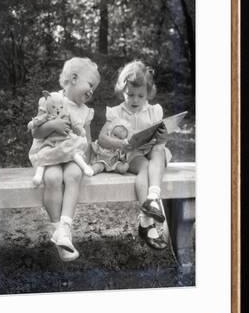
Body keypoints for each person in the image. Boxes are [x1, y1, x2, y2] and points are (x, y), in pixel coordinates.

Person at [27, 57, 100, 261]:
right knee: (52, 179)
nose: (92, 91)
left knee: (74, 174)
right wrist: (53, 126)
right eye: (90, 84)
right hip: (49, 153)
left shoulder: (85, 111)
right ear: (74, 78)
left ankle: (65, 228)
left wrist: (90, 155)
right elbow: (36, 132)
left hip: (72, 155)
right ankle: (57, 228)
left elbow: (86, 137)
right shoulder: (51, 100)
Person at [94, 60, 171, 250]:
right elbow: (102, 139)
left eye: (141, 95)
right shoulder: (116, 113)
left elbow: (160, 142)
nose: (135, 100)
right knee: (144, 167)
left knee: (159, 150)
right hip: (132, 155)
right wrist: (122, 143)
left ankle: (153, 198)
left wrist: (162, 137)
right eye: (130, 95)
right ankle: (146, 219)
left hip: (153, 151)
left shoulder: (154, 111)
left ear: (149, 93)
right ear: (122, 90)